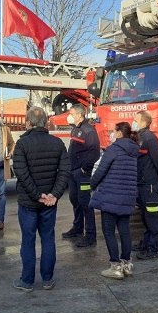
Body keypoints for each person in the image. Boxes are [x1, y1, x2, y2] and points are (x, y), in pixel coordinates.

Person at [11, 107, 70, 292]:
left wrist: (37, 195)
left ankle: (27, 281)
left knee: (28, 241)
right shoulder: (58, 143)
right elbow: (64, 172)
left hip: (29, 203)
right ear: (46, 123)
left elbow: (21, 173)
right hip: (49, 204)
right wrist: (54, 194)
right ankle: (47, 280)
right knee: (48, 239)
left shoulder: (22, 144)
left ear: (28, 123)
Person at [90, 122, 139, 279]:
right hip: (127, 197)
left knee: (109, 230)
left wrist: (92, 185)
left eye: (113, 131)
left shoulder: (113, 150)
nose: (111, 133)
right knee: (124, 230)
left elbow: (100, 171)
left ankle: (115, 267)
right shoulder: (133, 151)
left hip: (110, 197)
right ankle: (127, 265)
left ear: (119, 134)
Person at [132, 110, 158, 260]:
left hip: (150, 184)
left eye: (136, 120)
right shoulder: (140, 137)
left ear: (144, 122)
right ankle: (146, 242)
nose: (133, 122)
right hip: (141, 183)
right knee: (145, 215)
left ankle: (153, 248)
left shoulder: (150, 138)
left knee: (152, 216)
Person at [62, 104, 100, 247]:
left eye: (71, 113)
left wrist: (85, 167)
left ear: (79, 115)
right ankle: (77, 228)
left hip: (82, 173)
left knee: (85, 202)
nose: (69, 116)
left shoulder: (89, 130)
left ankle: (90, 235)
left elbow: (94, 152)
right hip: (72, 171)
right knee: (74, 200)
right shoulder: (75, 129)